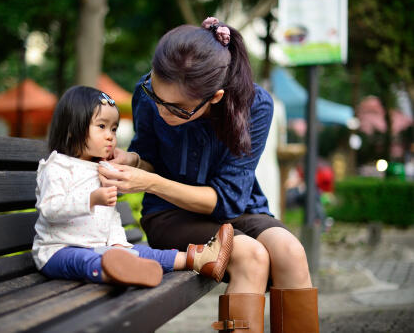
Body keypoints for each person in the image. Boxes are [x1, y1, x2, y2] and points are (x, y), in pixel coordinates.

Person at [98, 18, 319, 332]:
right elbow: (146, 156)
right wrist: (131, 160)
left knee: (290, 252)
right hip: (170, 215)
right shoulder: (146, 93)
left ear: (214, 97)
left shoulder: (255, 106)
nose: (162, 111)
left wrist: (150, 182)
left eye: (177, 108)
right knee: (251, 256)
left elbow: (227, 201)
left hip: (235, 206)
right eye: (157, 97)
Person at [31, 85, 234, 288]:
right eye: (101, 126)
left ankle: (198, 259)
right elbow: (49, 209)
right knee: (85, 260)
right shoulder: (57, 167)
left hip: (102, 248)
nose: (110, 136)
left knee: (144, 252)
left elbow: (110, 217)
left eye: (113, 128)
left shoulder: (101, 169)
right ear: (71, 129)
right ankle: (118, 273)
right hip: (59, 251)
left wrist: (119, 243)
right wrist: (91, 199)